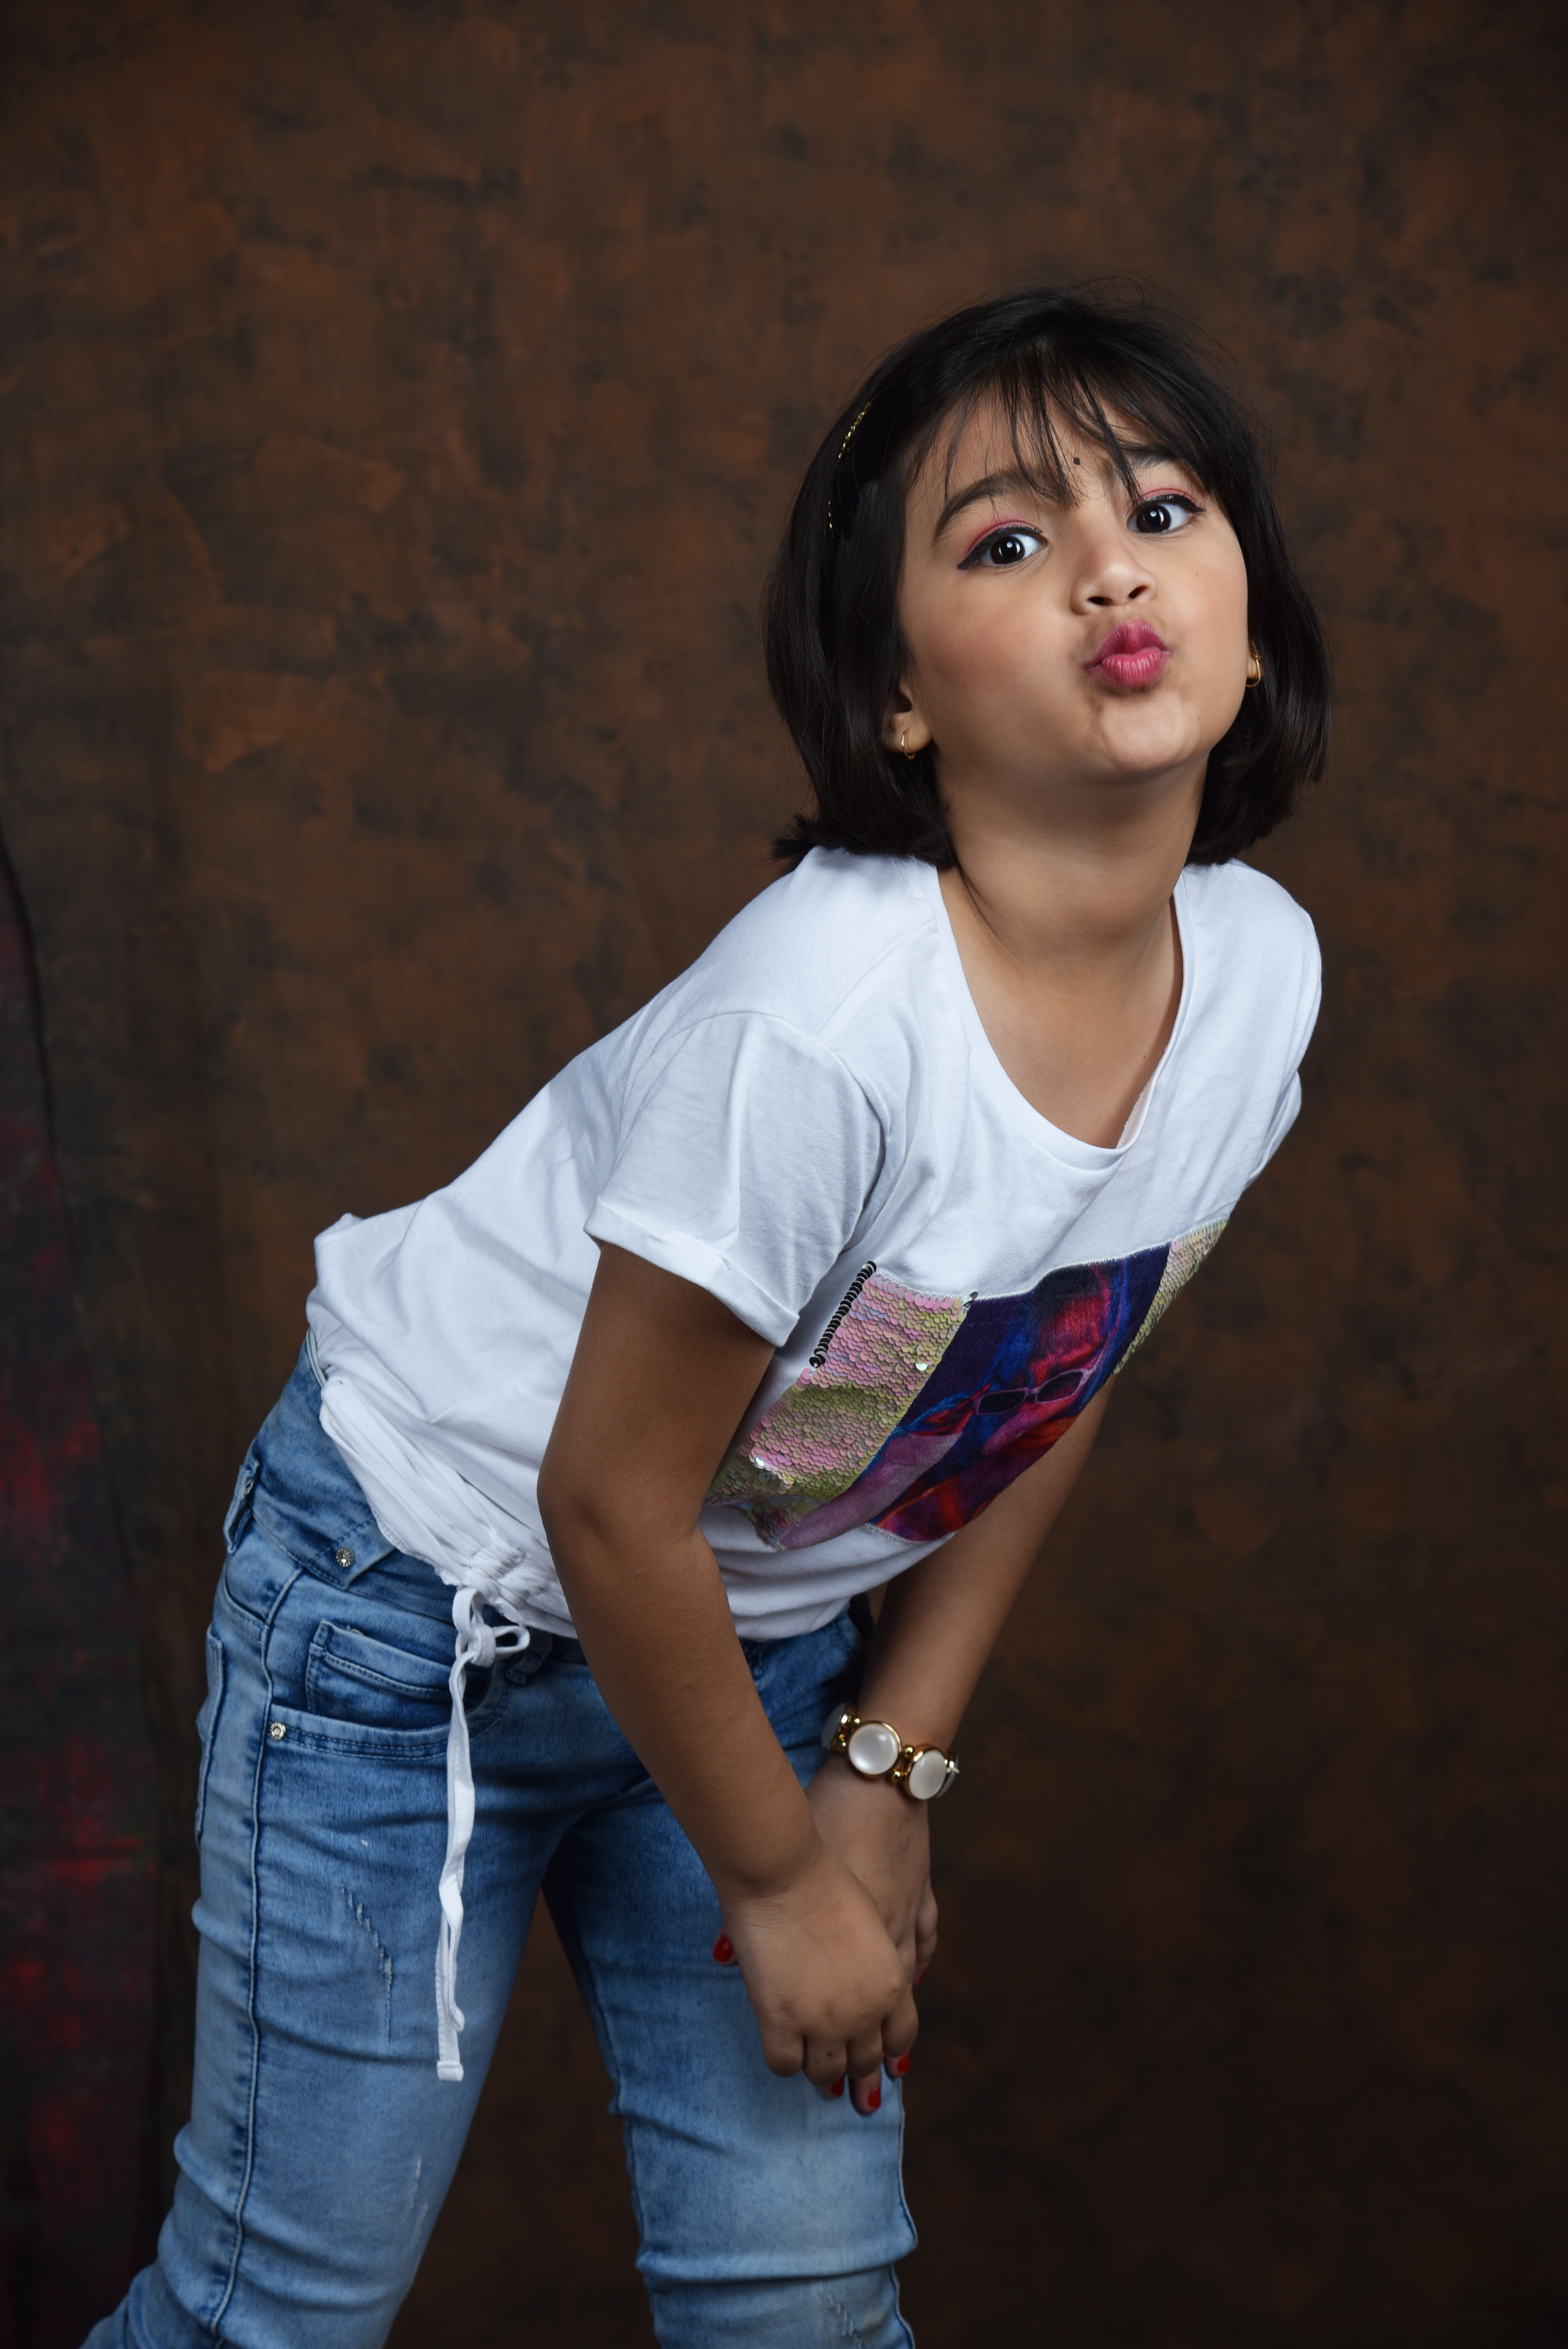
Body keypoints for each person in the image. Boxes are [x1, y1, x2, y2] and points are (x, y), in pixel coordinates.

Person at [87, 284, 1328, 2349]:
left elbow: (1048, 1379)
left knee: (807, 2306)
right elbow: (605, 1501)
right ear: (898, 696)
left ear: (1251, 616)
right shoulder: (824, 1028)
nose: (1111, 571)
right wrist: (776, 1885)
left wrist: (890, 1775)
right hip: (424, 1619)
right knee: (275, 2314)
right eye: (1007, 541)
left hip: (739, 1645)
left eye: (1164, 511)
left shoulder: (1259, 986)